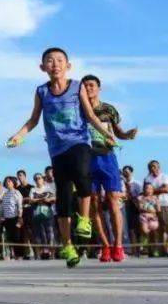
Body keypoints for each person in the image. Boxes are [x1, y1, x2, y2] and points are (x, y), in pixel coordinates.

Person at [7, 47, 116, 268]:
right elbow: (33, 120)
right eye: (50, 61)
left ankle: (84, 220)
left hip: (79, 141)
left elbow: (90, 115)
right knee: (64, 199)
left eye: (59, 60)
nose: (55, 64)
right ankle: (67, 246)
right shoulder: (41, 92)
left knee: (82, 174)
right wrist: (18, 136)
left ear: (68, 66)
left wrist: (106, 133)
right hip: (57, 150)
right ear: (43, 67)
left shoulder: (77, 87)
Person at [79, 75, 137, 263]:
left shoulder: (108, 109)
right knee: (94, 202)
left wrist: (127, 135)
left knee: (113, 201)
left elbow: (117, 132)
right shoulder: (78, 109)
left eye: (92, 85)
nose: (88, 88)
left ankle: (118, 245)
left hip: (107, 157)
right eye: (85, 85)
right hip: (87, 159)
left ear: (99, 88)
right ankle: (105, 246)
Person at [143, 160, 168, 256]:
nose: (153, 168)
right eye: (151, 167)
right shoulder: (147, 178)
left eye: (155, 166)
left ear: (159, 167)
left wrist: (152, 190)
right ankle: (158, 252)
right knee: (155, 230)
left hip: (164, 205)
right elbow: (145, 192)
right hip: (151, 207)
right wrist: (160, 189)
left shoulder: (164, 176)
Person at [0, 176, 24, 260]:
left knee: (17, 237)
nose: (7, 183)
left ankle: (19, 255)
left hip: (15, 218)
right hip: (7, 219)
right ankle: (11, 254)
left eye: (9, 181)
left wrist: (20, 218)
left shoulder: (17, 192)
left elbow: (20, 206)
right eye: (6, 181)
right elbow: (2, 207)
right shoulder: (5, 194)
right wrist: (0, 217)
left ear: (13, 183)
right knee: (9, 238)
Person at [137, 183, 161, 256]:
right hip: (144, 217)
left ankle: (154, 250)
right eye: (147, 188)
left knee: (154, 233)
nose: (149, 190)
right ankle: (144, 249)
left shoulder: (155, 198)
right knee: (145, 231)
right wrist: (150, 210)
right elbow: (140, 208)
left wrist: (156, 207)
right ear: (144, 189)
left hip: (153, 218)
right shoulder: (140, 197)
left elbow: (158, 209)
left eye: (151, 188)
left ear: (153, 190)